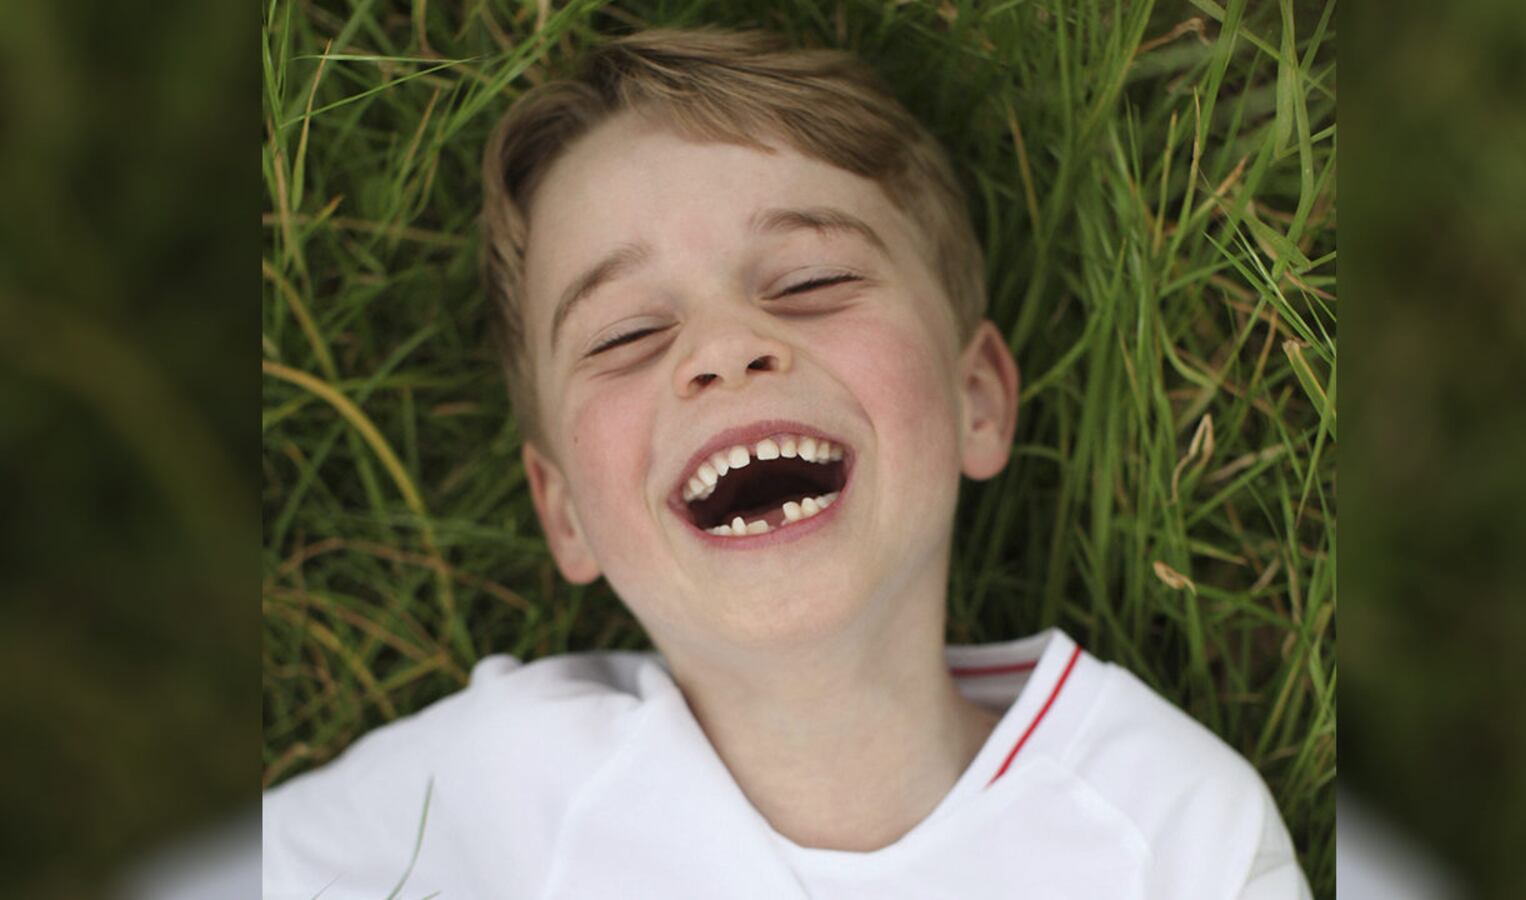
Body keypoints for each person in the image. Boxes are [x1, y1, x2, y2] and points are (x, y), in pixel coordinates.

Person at [262, 28, 1310, 898]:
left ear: (975, 399)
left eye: (808, 280)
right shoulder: (496, 780)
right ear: (566, 513)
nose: (722, 350)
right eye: (625, 335)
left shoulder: (1173, 834)